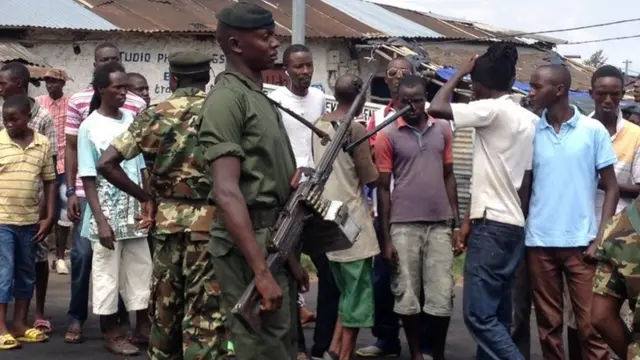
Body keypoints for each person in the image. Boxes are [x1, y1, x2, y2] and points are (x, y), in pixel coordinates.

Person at [98, 51, 227, 360]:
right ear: (208, 77)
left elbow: (106, 163)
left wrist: (145, 198)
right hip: (211, 221)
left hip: (167, 221)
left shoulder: (154, 113)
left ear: (172, 79)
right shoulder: (219, 111)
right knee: (204, 312)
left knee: (165, 308)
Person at [198, 3, 304, 359]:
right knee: (262, 349)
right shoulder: (227, 100)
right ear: (236, 44)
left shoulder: (257, 97)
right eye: (266, 37)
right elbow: (227, 192)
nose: (276, 44)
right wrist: (260, 271)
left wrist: (286, 255)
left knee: (282, 344)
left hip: (272, 239)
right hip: (249, 247)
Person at [428, 43, 537, 360]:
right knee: (498, 316)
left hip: (492, 226)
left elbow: (436, 107)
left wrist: (458, 73)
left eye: (471, 84)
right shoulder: (527, 118)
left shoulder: (491, 109)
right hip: (513, 226)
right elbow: (526, 181)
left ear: (479, 85)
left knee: (479, 316)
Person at [525, 64, 619, 360]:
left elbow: (612, 188)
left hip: (582, 245)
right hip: (539, 244)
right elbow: (525, 187)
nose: (532, 92)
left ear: (559, 90)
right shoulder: (530, 130)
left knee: (590, 327)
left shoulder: (593, 131)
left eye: (537, 86)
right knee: (548, 327)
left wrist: (600, 238)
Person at [64, 42, 146, 344]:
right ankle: (110, 331)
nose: (124, 94)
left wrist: (147, 201)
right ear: (101, 90)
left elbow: (141, 165)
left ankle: (141, 328)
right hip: (106, 208)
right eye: (118, 89)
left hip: (134, 206)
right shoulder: (90, 126)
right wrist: (98, 218)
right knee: (104, 270)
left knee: (139, 269)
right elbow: (88, 175)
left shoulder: (131, 119)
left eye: (126, 88)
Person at [376, 75, 458, 360]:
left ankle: (435, 351)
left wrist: (456, 222)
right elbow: (383, 190)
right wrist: (385, 238)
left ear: (426, 98)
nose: (412, 107)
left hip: (439, 224)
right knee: (407, 296)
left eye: (417, 100)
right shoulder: (387, 134)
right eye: (405, 101)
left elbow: (449, 176)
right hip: (403, 224)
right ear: (396, 101)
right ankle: (416, 354)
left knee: (442, 296)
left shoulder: (443, 129)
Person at [312, 74, 378, 360]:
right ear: (361, 99)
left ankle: (334, 349)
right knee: (357, 297)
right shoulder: (355, 129)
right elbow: (370, 177)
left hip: (327, 220)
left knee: (345, 292)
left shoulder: (318, 125)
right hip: (352, 224)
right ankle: (345, 354)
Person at [268, 43, 326, 359]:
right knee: (289, 267)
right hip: (289, 195)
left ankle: (322, 345)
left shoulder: (318, 99)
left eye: (308, 66)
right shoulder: (276, 102)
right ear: (286, 70)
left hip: (318, 192)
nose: (304, 72)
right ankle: (296, 346)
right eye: (298, 67)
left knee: (327, 267)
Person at [0, 62, 58, 337]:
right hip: (3, 216)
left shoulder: (43, 132)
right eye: (6, 120)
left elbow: (50, 176)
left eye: (15, 120)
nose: (10, 124)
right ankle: (2, 326)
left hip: (32, 216)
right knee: (4, 271)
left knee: (28, 268)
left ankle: (25, 321)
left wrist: (49, 215)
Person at [36, 68, 72, 277]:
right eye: (48, 82)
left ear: (63, 84)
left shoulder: (70, 103)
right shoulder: (40, 102)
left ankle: (60, 257)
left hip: (64, 165)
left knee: (64, 213)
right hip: (43, 166)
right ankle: (42, 253)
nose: (50, 85)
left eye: (54, 82)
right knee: (43, 210)